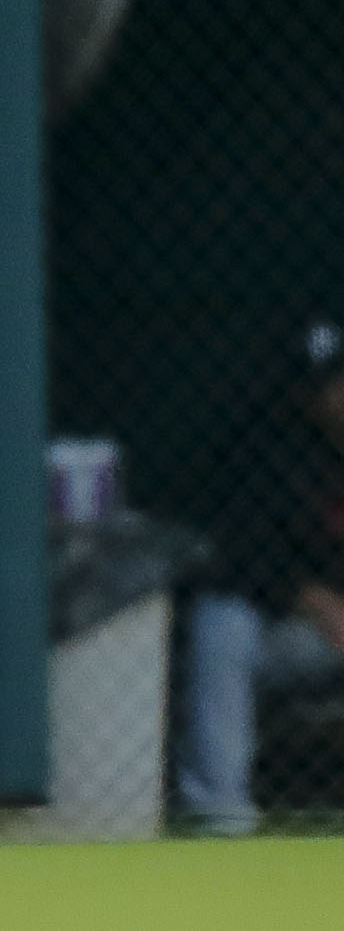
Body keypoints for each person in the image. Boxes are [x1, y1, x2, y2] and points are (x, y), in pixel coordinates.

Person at [174, 320, 344, 837]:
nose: (339, 394)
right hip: (298, 640)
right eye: (327, 385)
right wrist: (314, 599)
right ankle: (220, 813)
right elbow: (238, 561)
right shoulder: (269, 456)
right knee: (220, 624)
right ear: (302, 398)